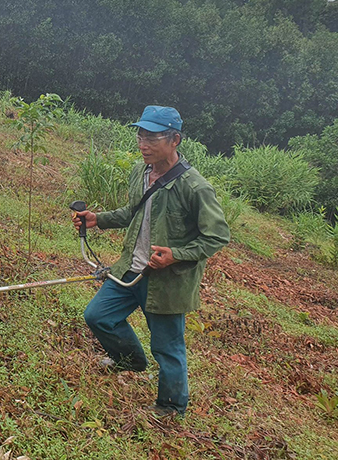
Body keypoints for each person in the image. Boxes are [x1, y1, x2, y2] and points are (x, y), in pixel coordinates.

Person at [72, 105, 230, 418]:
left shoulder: (194, 187)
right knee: (97, 316)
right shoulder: (140, 172)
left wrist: (176, 255)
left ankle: (171, 408)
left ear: (175, 140)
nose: (143, 143)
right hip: (130, 269)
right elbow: (133, 213)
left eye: (153, 137)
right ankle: (130, 360)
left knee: (167, 348)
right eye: (141, 135)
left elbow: (217, 236)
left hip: (167, 282)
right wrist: (98, 219)